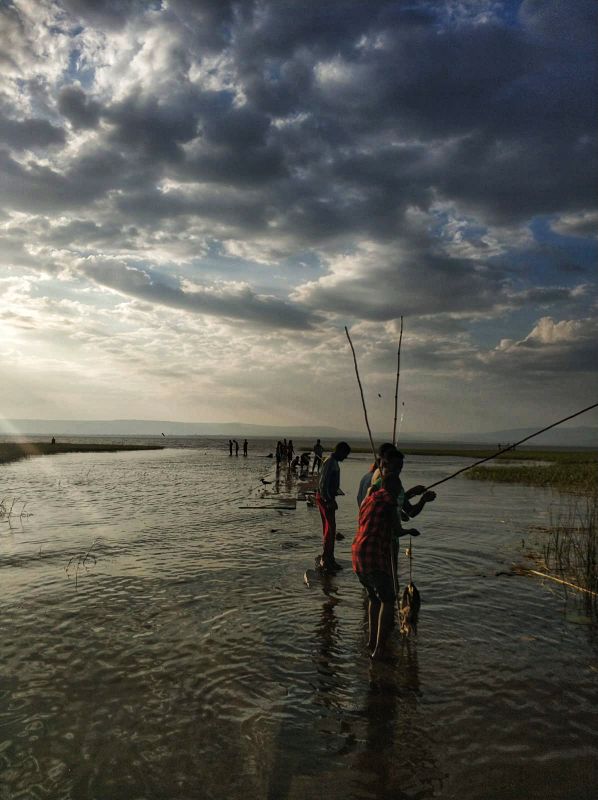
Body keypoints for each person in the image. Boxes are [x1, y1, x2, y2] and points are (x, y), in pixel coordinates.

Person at [352, 473, 421, 659]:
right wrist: (409, 531)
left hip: (358, 554)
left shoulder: (370, 496)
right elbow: (398, 528)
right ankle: (379, 650)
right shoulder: (389, 501)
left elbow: (402, 510)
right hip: (376, 553)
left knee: (374, 598)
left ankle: (371, 642)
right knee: (388, 599)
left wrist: (414, 495)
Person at [316, 441, 351, 572]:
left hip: (328, 498)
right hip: (325, 499)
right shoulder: (330, 462)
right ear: (340, 451)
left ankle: (330, 558)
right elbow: (323, 483)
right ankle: (326, 559)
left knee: (330, 529)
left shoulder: (333, 462)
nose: (345, 457)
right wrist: (329, 499)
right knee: (329, 530)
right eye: (345, 454)